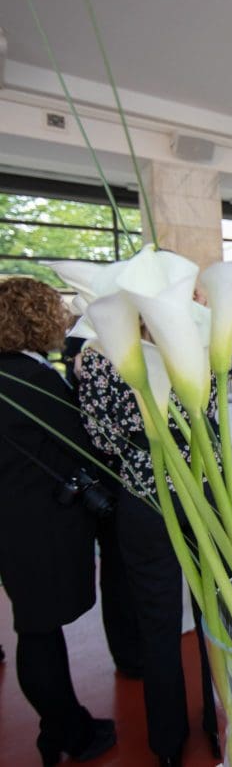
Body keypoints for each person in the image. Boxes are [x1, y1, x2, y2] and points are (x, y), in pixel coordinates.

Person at [78, 342, 220, 767]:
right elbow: (211, 412)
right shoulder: (194, 341)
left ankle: (167, 743)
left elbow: (99, 436)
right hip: (201, 489)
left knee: (157, 625)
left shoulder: (103, 352)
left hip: (146, 495)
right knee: (216, 615)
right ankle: (221, 725)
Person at [0, 278, 117, 766]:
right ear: (37, 319)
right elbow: (82, 443)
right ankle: (68, 731)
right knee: (39, 631)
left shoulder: (10, 372)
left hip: (16, 521)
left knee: (36, 628)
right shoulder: (31, 378)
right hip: (39, 526)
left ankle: (63, 725)